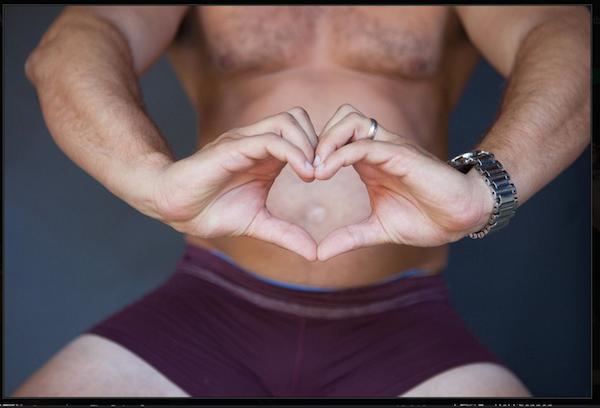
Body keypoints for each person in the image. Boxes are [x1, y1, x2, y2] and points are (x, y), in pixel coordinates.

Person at [14, 5, 589, 397]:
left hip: (405, 326)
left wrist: (486, 191)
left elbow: (570, 36)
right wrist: (151, 180)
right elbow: (75, 41)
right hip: (203, 315)